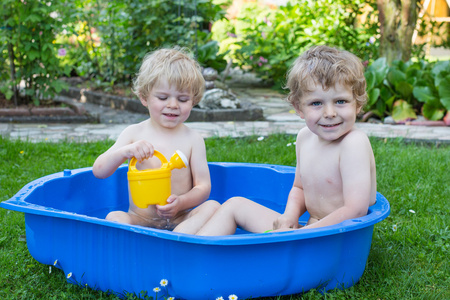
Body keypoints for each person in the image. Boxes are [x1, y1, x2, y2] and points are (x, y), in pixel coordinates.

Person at [194, 45, 377, 235]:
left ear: (358, 103)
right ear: (299, 107)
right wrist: (290, 216)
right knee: (234, 205)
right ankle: (193, 252)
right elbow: (300, 188)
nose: (329, 113)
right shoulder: (305, 137)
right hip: (308, 231)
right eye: (316, 103)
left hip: (337, 239)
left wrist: (302, 234)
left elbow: (356, 210)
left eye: (340, 101)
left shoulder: (353, 144)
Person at [92, 47, 219, 234]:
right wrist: (125, 151)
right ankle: (163, 242)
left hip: (179, 218)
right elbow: (99, 171)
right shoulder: (133, 134)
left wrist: (181, 202)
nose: (173, 105)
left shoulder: (193, 139)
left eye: (183, 99)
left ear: (194, 100)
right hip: (139, 219)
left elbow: (203, 186)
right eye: (162, 97)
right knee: (114, 217)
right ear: (144, 97)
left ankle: (179, 238)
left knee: (213, 206)